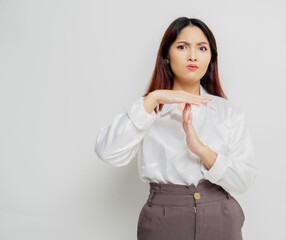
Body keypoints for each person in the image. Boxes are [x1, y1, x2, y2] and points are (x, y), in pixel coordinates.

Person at [94, 16, 258, 240]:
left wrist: (202, 150)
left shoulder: (229, 113)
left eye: (202, 48)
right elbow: (107, 152)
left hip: (221, 218)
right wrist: (155, 98)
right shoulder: (147, 109)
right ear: (167, 56)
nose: (192, 55)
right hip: (164, 221)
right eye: (182, 47)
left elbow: (243, 180)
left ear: (211, 58)